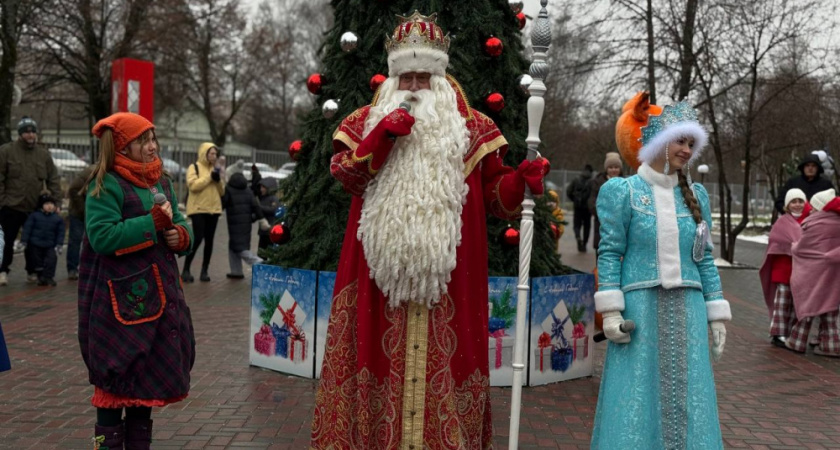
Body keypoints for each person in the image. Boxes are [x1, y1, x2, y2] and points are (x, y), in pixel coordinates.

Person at [311, 12, 548, 449]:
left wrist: (520, 182)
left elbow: (496, 197)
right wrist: (380, 137)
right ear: (392, 79)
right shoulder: (364, 121)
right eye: (407, 77)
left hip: (450, 286)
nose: (416, 87)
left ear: (441, 78)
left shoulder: (474, 129)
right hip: (376, 285)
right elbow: (347, 176)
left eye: (425, 76)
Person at [592, 93, 731, 449]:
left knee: (690, 393)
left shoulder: (696, 195)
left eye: (690, 143)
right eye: (679, 141)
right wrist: (610, 310)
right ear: (657, 142)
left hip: (688, 310)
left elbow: (704, 258)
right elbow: (609, 253)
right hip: (640, 312)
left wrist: (716, 313)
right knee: (637, 392)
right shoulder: (622, 192)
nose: (686, 149)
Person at [78, 112, 195, 449]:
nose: (152, 146)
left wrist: (181, 235)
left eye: (153, 139)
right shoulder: (106, 184)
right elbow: (102, 237)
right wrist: (152, 223)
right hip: (119, 308)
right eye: (143, 141)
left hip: (158, 306)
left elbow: (181, 219)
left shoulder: (162, 182)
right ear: (123, 147)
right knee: (115, 391)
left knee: (145, 389)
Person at [0, 116, 62, 286]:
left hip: (34, 207)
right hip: (11, 206)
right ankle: (3, 270)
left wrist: (56, 202)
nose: (30, 135)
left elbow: (53, 179)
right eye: (26, 132)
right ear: (20, 134)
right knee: (7, 241)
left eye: (33, 131)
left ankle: (32, 271)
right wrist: (2, 201)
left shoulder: (43, 154)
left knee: (33, 243)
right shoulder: (6, 151)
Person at [786, 189, 840, 357]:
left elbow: (802, 247)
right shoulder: (838, 222)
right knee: (829, 308)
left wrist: (794, 246)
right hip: (833, 273)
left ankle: (797, 341)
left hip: (813, 272)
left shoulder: (813, 224)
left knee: (808, 305)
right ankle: (831, 345)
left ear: (820, 207)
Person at [759, 188, 810, 348]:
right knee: (782, 304)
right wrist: (794, 246)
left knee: (797, 304)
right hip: (783, 268)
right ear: (787, 205)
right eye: (793, 202)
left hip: (802, 271)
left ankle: (793, 334)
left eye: (800, 201)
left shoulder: (809, 220)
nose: (797, 205)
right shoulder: (782, 222)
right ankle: (778, 333)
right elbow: (775, 241)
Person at [183, 142, 225, 282]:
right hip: (198, 209)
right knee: (198, 238)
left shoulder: (215, 169)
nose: (214, 156)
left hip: (214, 209)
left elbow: (222, 191)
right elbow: (193, 186)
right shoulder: (194, 167)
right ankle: (186, 269)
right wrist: (209, 178)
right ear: (204, 153)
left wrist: (218, 180)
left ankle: (204, 271)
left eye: (215, 154)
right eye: (211, 153)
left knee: (210, 241)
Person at [221, 172, 265, 279]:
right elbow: (256, 205)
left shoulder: (229, 190)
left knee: (240, 249)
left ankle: (259, 263)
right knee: (233, 246)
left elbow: (223, 204)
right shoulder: (248, 190)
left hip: (234, 223)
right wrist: (261, 219)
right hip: (246, 224)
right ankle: (236, 271)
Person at [21, 194, 65, 286]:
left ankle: (49, 277)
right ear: (41, 205)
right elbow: (27, 229)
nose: (49, 206)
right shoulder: (34, 216)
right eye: (46, 203)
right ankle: (41, 277)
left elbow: (60, 233)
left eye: (51, 203)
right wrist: (24, 240)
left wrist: (59, 244)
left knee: (51, 260)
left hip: (50, 244)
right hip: (35, 243)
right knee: (37, 261)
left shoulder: (57, 219)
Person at [588, 152, 624, 251]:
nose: (613, 170)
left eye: (616, 167)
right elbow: (592, 202)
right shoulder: (597, 182)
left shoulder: (626, 183)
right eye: (611, 167)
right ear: (606, 169)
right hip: (602, 223)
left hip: (620, 224)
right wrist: (603, 214)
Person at [66, 165, 95, 280]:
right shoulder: (91, 171)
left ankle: (89, 268)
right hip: (78, 213)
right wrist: (84, 210)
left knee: (92, 242)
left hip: (94, 214)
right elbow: (73, 189)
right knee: (75, 240)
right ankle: (72, 269)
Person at [256, 177, 280, 250]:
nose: (261, 189)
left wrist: (259, 207)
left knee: (269, 252)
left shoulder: (273, 199)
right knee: (261, 253)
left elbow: (273, 210)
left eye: (263, 187)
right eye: (260, 187)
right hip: (263, 231)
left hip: (270, 230)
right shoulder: (262, 198)